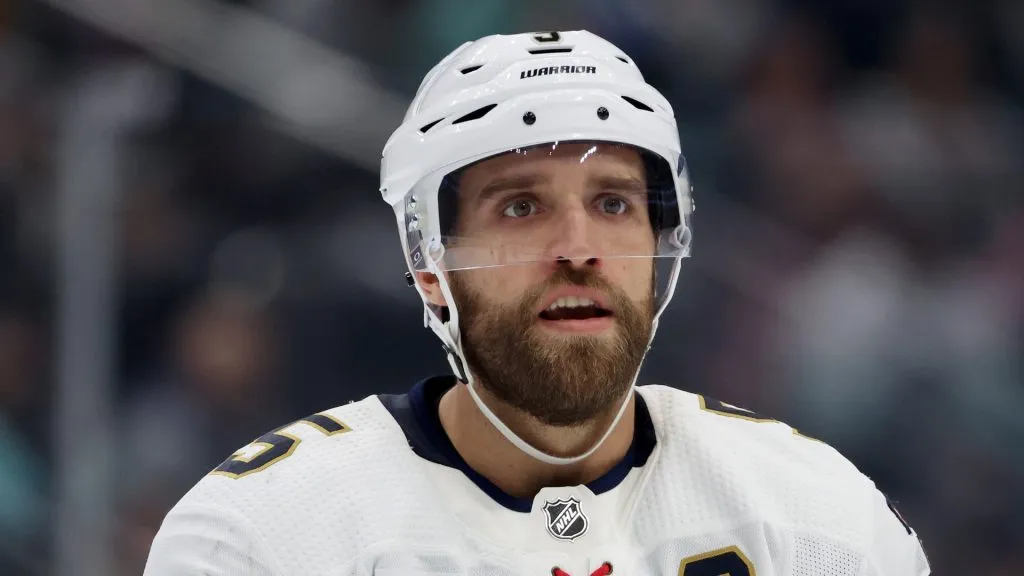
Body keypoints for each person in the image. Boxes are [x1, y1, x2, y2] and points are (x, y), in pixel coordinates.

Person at [143, 30, 930, 576]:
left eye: (615, 204)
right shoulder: (262, 535)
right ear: (427, 262)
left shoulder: (816, 518)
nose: (578, 246)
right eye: (521, 207)